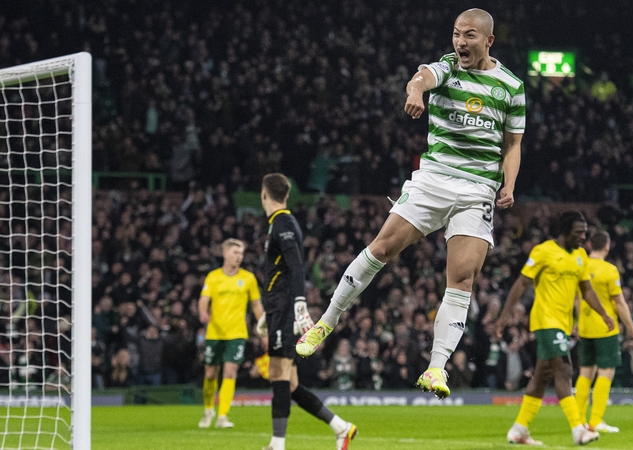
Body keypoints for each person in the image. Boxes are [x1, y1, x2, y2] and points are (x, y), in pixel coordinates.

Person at [297, 8, 525, 401]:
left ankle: (436, 368)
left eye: (469, 36)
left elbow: (513, 144)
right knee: (381, 248)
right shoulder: (448, 69)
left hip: (477, 192)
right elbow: (422, 76)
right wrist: (415, 91)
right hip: (434, 179)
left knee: (463, 280)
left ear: (489, 41)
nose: (460, 42)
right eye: (456, 34)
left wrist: (510, 183)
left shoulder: (512, 86)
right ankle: (326, 322)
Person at [495, 211, 614, 446]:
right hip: (545, 321)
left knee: (541, 377)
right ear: (564, 231)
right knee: (564, 369)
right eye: (578, 232)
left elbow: (587, 289)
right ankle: (578, 430)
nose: (583, 237)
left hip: (564, 324)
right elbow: (521, 283)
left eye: (584, 232)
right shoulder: (543, 251)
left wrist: (603, 313)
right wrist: (504, 316)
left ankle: (519, 430)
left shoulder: (580, 256)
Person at [257, 173, 357, 450]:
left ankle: (277, 444)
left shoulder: (283, 223)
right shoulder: (279, 223)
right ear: (286, 194)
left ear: (264, 195)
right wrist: (270, 310)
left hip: (286, 310)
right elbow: (282, 273)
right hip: (280, 309)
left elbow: (297, 266)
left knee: (278, 373)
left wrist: (298, 302)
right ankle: (342, 428)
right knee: (289, 384)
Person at [574, 231, 633, 434]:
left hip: (586, 327)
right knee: (606, 372)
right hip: (606, 329)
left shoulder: (581, 265)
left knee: (585, 373)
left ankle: (578, 420)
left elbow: (578, 299)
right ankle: (595, 420)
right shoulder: (609, 270)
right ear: (607, 246)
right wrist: (631, 328)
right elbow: (620, 303)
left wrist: (579, 323)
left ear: (589, 245)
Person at [198, 238, 264, 429]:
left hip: (237, 333)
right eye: (235, 252)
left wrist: (263, 328)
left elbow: (256, 304)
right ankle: (208, 409)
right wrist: (203, 311)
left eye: (241, 253)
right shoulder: (213, 277)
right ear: (225, 253)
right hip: (215, 332)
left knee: (230, 371)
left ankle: (222, 415)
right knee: (210, 373)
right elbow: (204, 299)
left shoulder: (248, 278)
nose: (239, 256)